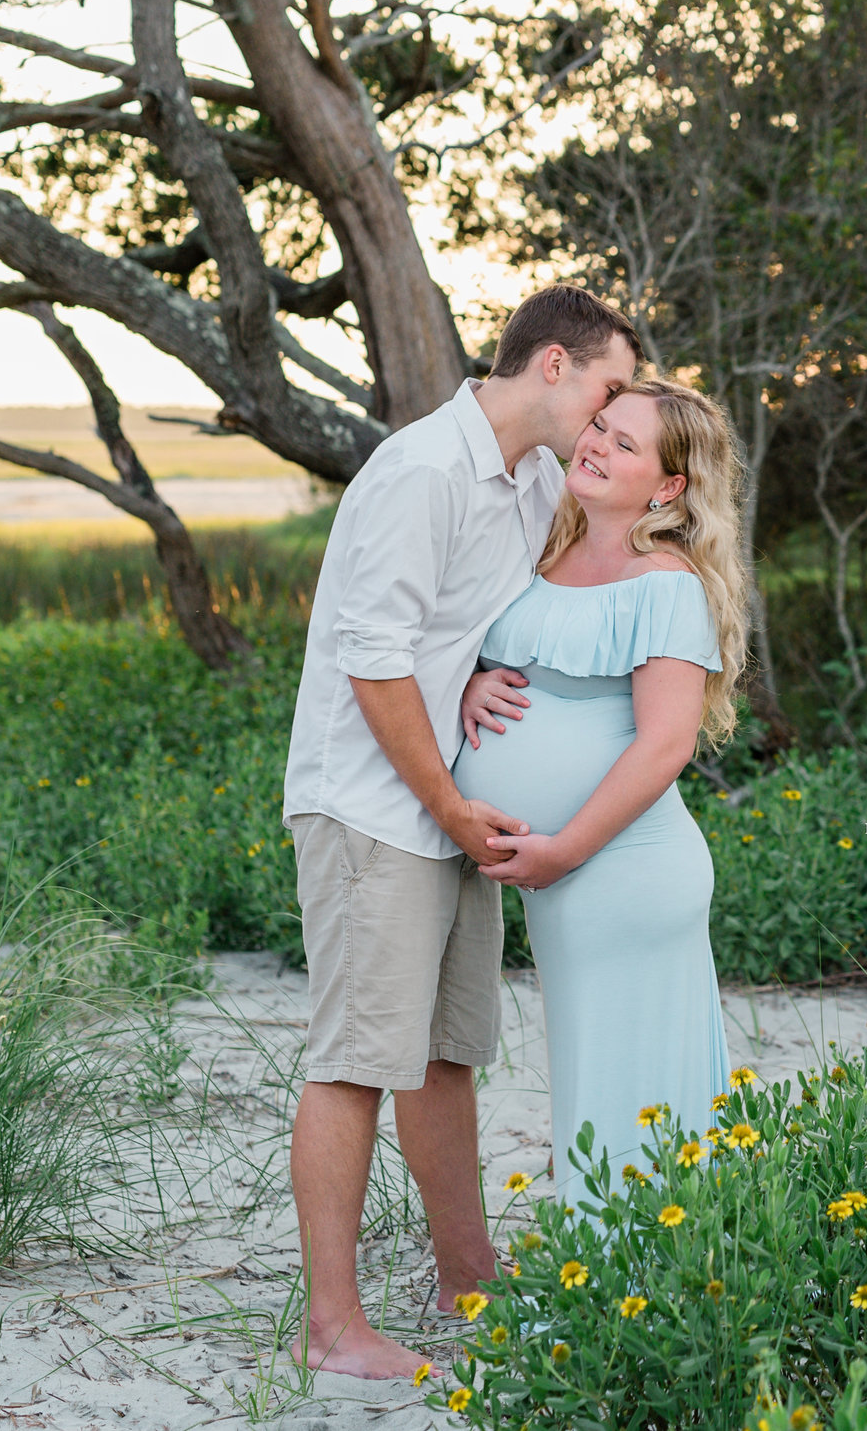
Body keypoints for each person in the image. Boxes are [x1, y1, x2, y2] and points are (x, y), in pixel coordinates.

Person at [279, 286, 642, 1379]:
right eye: (610, 387)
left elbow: (460, 622)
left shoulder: (531, 481)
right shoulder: (422, 470)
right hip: (374, 810)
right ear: (551, 367)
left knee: (445, 1057)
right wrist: (446, 800)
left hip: (446, 811)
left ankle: (466, 1274)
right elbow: (373, 656)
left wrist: (478, 671)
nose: (613, 412)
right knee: (354, 1060)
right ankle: (331, 1327)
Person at [451, 377, 753, 1197]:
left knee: (627, 1080)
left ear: (667, 487)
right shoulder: (546, 539)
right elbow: (481, 648)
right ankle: (621, 1275)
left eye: (626, 444)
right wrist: (468, 686)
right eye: (600, 427)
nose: (596, 445)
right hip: (564, 875)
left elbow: (665, 745)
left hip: (623, 871)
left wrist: (563, 851)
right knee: (591, 1065)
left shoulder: (665, 581)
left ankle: (641, 1279)